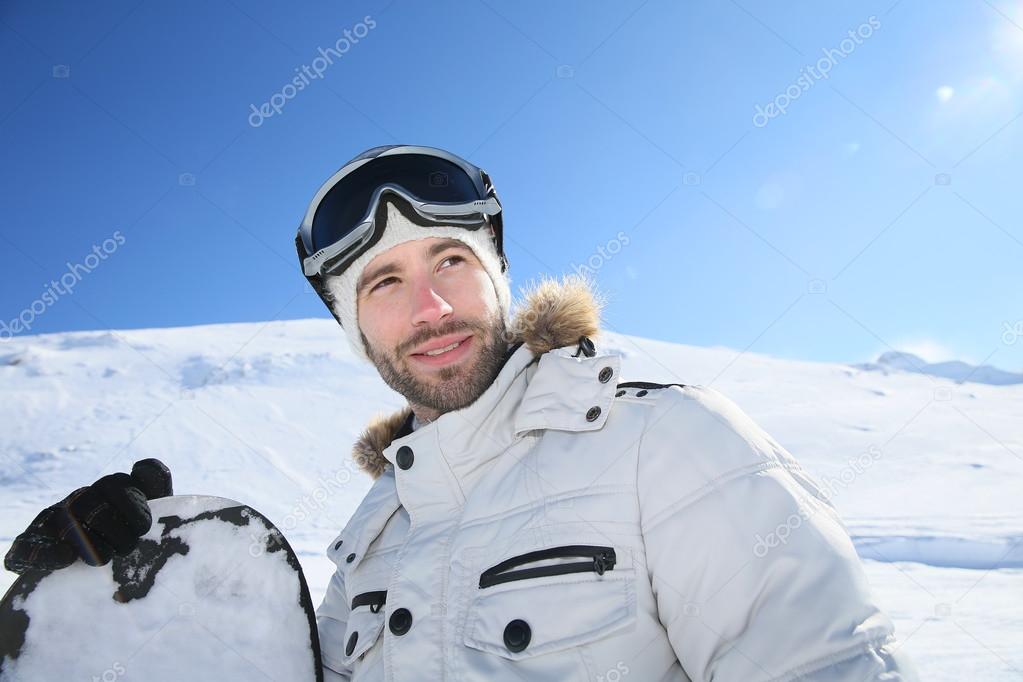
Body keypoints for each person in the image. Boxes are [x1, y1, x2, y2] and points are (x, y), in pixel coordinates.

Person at [6, 145, 917, 681]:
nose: (430, 309)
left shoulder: (665, 442)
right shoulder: (371, 534)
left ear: (498, 280)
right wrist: (127, 607)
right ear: (353, 329)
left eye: (450, 261)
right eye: (384, 284)